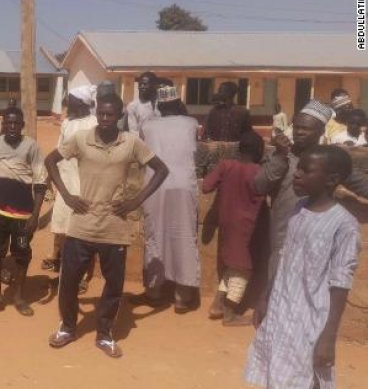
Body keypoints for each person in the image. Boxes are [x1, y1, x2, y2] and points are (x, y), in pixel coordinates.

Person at [245, 146, 368, 389]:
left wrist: (328, 337)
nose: (296, 175)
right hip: (284, 313)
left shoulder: (343, 225)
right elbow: (285, 259)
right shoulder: (299, 210)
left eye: (305, 171)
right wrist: (266, 299)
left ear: (332, 180)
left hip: (311, 323)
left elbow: (340, 283)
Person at [45, 93, 170, 358]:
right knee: (68, 281)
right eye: (101, 113)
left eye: (110, 114)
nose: (104, 119)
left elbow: (161, 170)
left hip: (114, 227)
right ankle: (68, 327)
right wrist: (66, 196)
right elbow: (50, 161)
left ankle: (104, 333)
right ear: (96, 112)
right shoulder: (81, 139)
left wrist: (136, 200)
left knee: (113, 285)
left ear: (119, 116)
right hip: (81, 224)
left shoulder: (131, 142)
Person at [253, 100, 368, 299]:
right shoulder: (281, 155)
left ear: (321, 131)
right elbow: (259, 185)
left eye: (305, 129)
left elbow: (360, 183)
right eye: (296, 127)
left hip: (317, 237)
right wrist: (280, 157)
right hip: (283, 236)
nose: (298, 132)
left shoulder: (331, 159)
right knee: (277, 287)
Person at [0, 107, 48, 317]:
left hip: (22, 215)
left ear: (22, 126)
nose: (11, 127)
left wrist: (35, 215)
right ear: (3, 124)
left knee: (21, 255)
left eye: (16, 123)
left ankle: (18, 296)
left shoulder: (32, 147)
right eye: (8, 123)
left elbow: (40, 181)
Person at [138, 86, 201, 312]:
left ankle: (154, 291)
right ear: (178, 103)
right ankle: (182, 295)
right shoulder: (191, 123)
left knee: (155, 235)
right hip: (183, 186)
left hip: (154, 186)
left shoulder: (147, 125)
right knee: (184, 236)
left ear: (159, 106)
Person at [202, 131, 266, 326]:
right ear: (260, 151)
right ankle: (230, 314)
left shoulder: (226, 165)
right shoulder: (259, 171)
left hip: (226, 222)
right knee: (243, 268)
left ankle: (217, 305)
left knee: (233, 265)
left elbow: (205, 186)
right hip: (247, 225)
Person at [44, 85, 98, 284]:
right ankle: (66, 275)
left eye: (71, 100)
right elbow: (57, 152)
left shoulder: (94, 123)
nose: (67, 103)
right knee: (64, 232)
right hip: (65, 185)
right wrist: (50, 179)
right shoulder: (66, 123)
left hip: (84, 185)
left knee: (83, 234)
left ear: (81, 102)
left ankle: (82, 277)